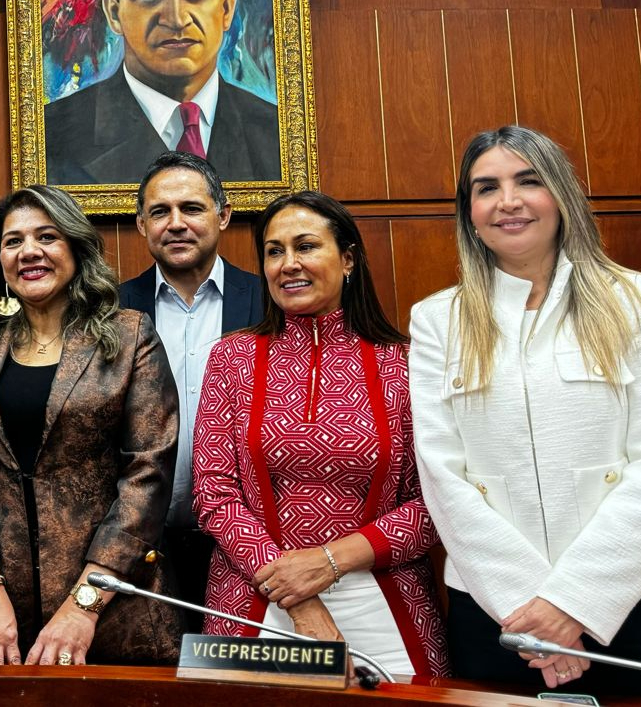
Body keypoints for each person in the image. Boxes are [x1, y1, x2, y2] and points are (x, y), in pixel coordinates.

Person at [409, 126, 641, 695]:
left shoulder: (634, 301)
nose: (507, 201)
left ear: (560, 195)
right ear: (470, 211)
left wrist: (574, 602)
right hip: (495, 608)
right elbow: (443, 474)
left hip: (621, 599)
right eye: (486, 187)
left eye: (528, 181)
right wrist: (532, 612)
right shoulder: (438, 319)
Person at [194, 191, 447, 678]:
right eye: (274, 251)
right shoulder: (231, 358)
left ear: (348, 258)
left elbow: (436, 499)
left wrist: (328, 562)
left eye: (306, 246)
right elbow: (214, 494)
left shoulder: (408, 363)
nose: (288, 264)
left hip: (387, 599)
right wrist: (298, 596)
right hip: (254, 595)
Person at [0, 184, 182, 665]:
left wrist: (84, 605)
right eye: (12, 241)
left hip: (114, 607)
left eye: (47, 236)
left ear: (75, 247)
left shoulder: (131, 336)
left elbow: (147, 476)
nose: (29, 252)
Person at [119, 152, 262, 628]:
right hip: (141, 544)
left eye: (192, 209)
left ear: (223, 215)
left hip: (250, 547)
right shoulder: (111, 310)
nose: (176, 223)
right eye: (160, 212)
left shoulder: (268, 302)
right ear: (141, 225)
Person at [44, 0, 280, 186]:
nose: (177, 19)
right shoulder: (52, 136)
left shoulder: (275, 134)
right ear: (114, 13)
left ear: (227, 8)